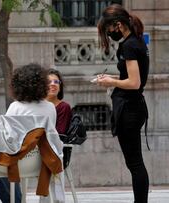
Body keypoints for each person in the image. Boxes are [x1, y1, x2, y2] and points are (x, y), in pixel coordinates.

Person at [0, 63, 64, 203]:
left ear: (18, 85)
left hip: (16, 161)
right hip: (40, 162)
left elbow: (6, 138)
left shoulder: (15, 107)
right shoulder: (50, 108)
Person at [97, 4, 149, 203]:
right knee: (135, 163)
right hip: (134, 106)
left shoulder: (129, 46)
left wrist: (111, 82)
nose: (109, 34)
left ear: (118, 25)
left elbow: (134, 83)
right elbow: (131, 77)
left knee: (135, 163)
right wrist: (111, 78)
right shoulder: (135, 42)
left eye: (109, 29)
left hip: (130, 108)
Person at [46, 68, 72, 169]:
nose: (53, 84)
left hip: (55, 151)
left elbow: (60, 134)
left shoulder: (63, 107)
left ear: (60, 87)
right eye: (49, 82)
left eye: (56, 81)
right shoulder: (37, 106)